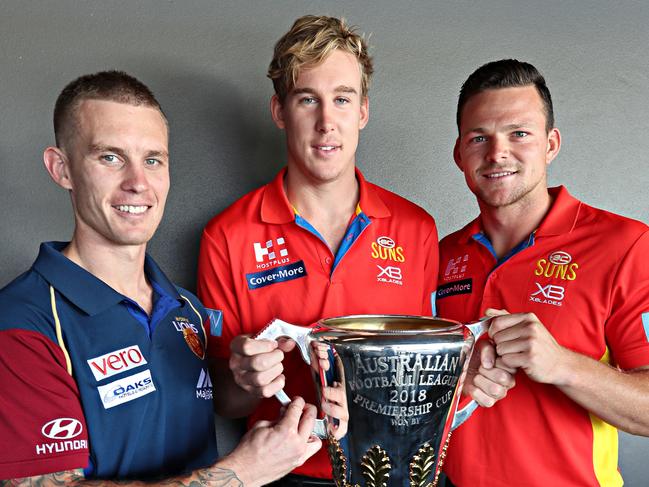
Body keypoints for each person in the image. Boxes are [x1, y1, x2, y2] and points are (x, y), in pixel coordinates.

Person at [0, 71, 320, 485]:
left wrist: (246, 378)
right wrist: (241, 474)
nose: (138, 183)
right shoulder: (22, 322)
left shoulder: (184, 308)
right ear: (61, 169)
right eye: (110, 157)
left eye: (153, 160)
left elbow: (208, 400)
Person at [197, 15, 443, 485]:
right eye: (308, 99)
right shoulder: (226, 236)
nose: (327, 122)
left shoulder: (417, 229)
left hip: (401, 468)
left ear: (363, 112)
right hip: (287, 473)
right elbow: (225, 402)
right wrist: (247, 378)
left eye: (342, 100)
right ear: (279, 112)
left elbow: (431, 375)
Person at [436, 59, 649, 486]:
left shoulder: (627, 245)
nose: (498, 153)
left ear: (550, 144)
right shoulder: (441, 255)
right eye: (480, 137)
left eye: (520, 134)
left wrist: (563, 365)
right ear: (460, 154)